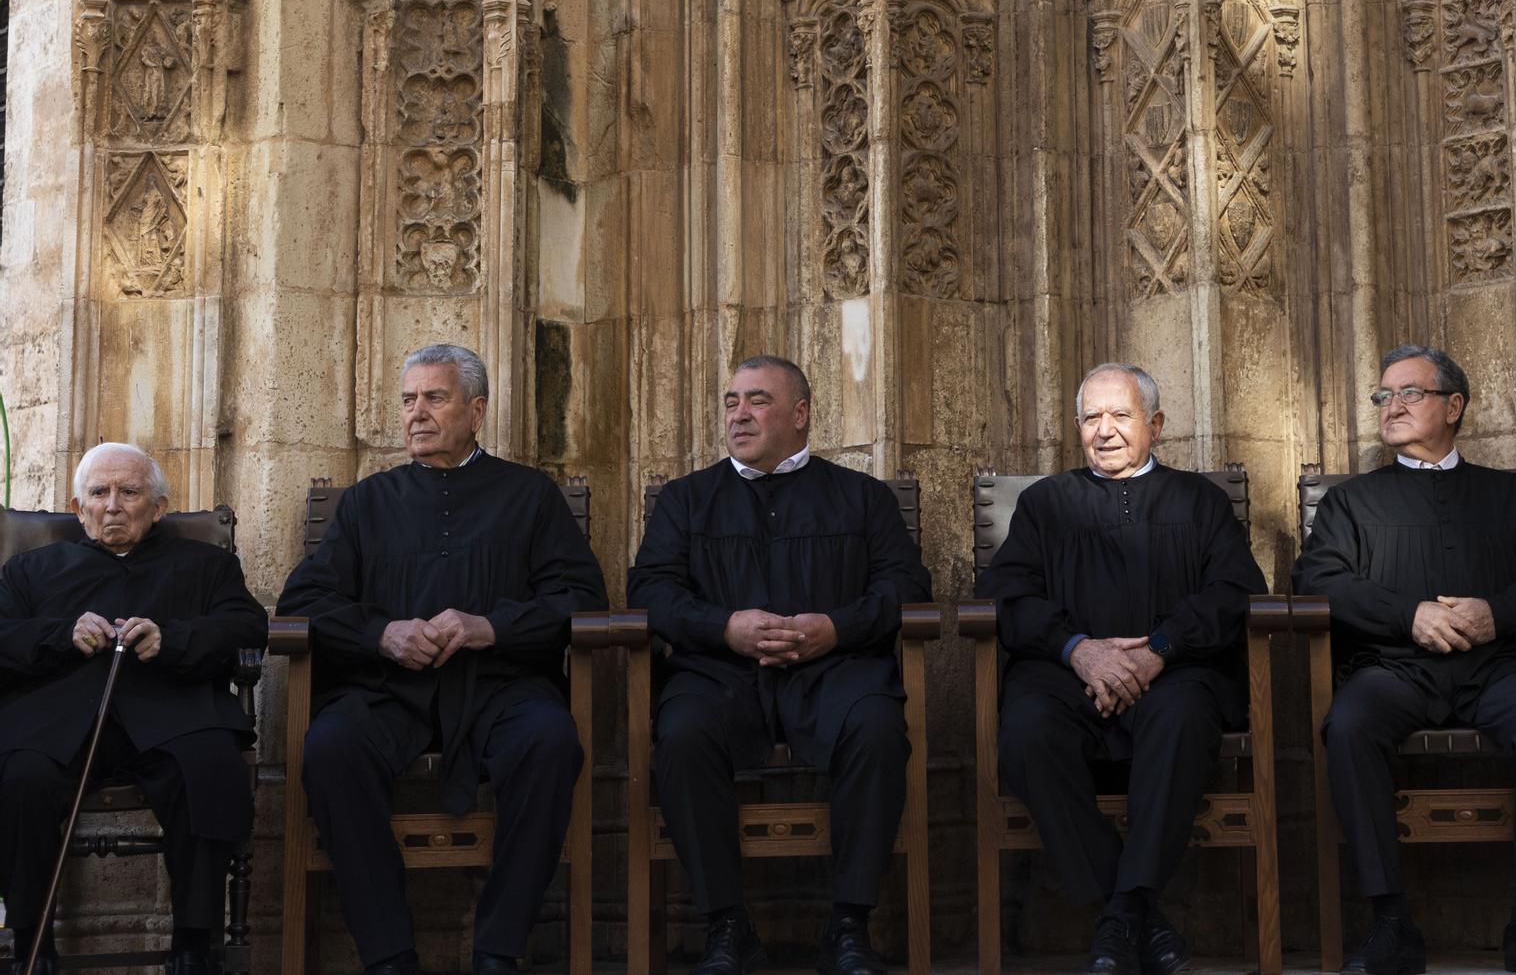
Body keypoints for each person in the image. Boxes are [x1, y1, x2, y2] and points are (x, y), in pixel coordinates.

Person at [277, 344, 608, 975]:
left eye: (435, 397)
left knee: (551, 742)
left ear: (477, 409)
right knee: (330, 749)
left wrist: (492, 627)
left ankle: (499, 951)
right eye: (408, 399)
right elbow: (307, 600)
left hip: (501, 686)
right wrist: (383, 635)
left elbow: (582, 597)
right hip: (388, 691)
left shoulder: (531, 496)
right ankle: (389, 956)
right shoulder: (366, 503)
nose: (416, 413)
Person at [1293, 344, 1516, 975]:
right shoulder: (1350, 502)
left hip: (1501, 670)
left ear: (1453, 406)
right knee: (1348, 726)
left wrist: (1499, 614)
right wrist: (1409, 616)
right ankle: (1390, 922)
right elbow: (1319, 580)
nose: (1391, 406)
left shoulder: (1512, 497)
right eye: (1383, 396)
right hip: (1392, 670)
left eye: (1409, 393)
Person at [630, 355, 932, 975]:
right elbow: (650, 592)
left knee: (877, 730)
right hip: (719, 672)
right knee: (682, 736)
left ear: (800, 415)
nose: (739, 414)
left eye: (757, 401)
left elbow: (908, 584)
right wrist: (725, 627)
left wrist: (835, 628)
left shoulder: (862, 497)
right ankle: (727, 926)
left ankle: (849, 926)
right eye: (731, 401)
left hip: (834, 671)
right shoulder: (686, 500)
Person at [977, 362, 1268, 975]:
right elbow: (1007, 595)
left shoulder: (1200, 500)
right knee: (1026, 733)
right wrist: (1081, 650)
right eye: (1091, 417)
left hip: (1175, 674)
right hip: (1065, 678)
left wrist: (1157, 650)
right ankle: (1137, 914)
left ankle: (1119, 914)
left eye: (1120, 415)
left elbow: (1235, 590)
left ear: (1156, 425)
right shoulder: (1044, 504)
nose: (1104, 431)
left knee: (1185, 717)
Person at [0, 442, 264, 975]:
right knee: (21, 777)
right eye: (98, 492)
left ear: (159, 507)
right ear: (79, 508)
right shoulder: (31, 570)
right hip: (60, 722)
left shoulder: (207, 565)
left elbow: (245, 625)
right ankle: (31, 946)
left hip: (172, 715)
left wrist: (172, 638)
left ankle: (193, 947)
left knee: (209, 767)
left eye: (130, 491)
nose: (113, 505)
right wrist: (61, 634)